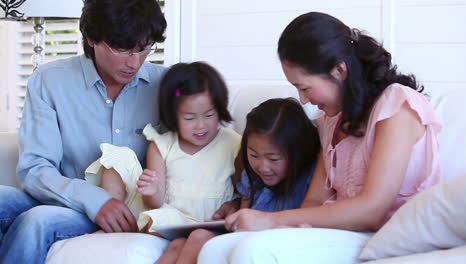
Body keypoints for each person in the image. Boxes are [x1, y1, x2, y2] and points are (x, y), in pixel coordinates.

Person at [198, 11, 443, 264]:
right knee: (214, 249)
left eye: (304, 87)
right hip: (343, 233)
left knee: (254, 252)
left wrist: (272, 220)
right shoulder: (330, 122)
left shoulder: (397, 106)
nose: (304, 100)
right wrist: (287, 229)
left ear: (339, 70)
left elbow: (372, 209)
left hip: (392, 236)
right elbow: (314, 201)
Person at [0, 0, 166, 263]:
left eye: (144, 49)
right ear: (91, 38)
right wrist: (93, 200)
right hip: (66, 200)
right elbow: (35, 168)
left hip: (129, 210)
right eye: (122, 49)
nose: (134, 62)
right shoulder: (49, 81)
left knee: (38, 221)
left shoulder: (167, 86)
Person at [157, 98, 320, 264]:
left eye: (274, 159)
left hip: (266, 242)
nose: (263, 167)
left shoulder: (311, 178)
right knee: (179, 243)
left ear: (298, 152)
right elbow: (241, 222)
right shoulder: (252, 177)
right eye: (254, 155)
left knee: (201, 238)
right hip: (243, 237)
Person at [86, 61, 242, 232]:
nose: (200, 126)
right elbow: (155, 203)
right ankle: (114, 220)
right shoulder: (161, 145)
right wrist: (151, 191)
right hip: (167, 214)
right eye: (189, 118)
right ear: (173, 115)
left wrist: (235, 205)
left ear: (220, 109)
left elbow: (246, 190)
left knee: (166, 219)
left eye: (209, 115)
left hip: (208, 221)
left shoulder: (233, 144)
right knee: (118, 157)